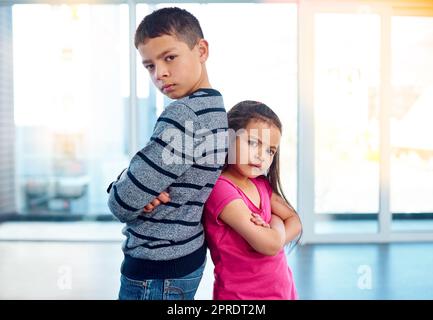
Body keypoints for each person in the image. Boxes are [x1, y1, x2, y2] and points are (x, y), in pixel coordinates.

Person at [107, 7, 228, 300]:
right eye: (149, 65)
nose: (160, 73)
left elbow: (122, 202)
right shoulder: (213, 107)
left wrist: (123, 184)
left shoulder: (184, 114)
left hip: (156, 269)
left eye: (169, 57)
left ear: (201, 50)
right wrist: (139, 185)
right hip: (183, 256)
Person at [203, 100, 302, 300]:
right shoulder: (222, 189)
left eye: (270, 150)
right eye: (253, 142)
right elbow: (270, 246)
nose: (261, 155)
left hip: (283, 292)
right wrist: (277, 225)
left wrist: (274, 225)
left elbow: (296, 222)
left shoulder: (261, 185)